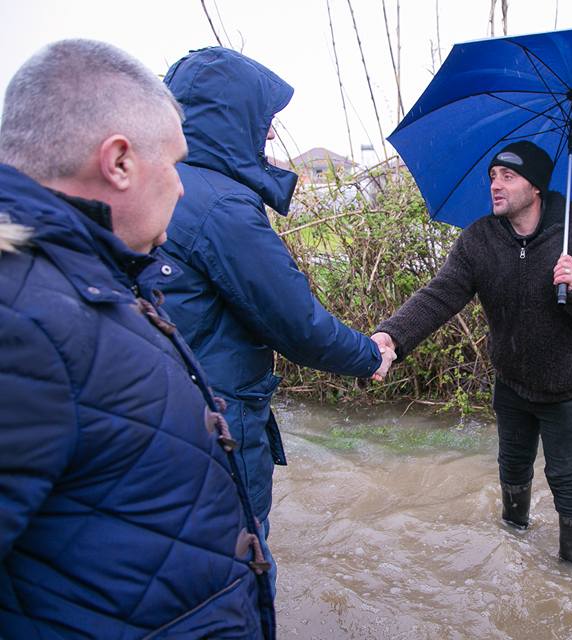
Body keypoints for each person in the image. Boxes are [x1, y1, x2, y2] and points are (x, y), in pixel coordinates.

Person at [0, 39, 272, 637]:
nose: (180, 188)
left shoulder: (90, 281)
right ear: (119, 162)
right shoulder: (21, 318)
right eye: (173, 164)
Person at [157, 46, 396, 585]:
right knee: (239, 560)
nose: (268, 135)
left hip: (171, 414)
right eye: (262, 120)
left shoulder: (166, 185)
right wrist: (369, 356)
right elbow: (297, 323)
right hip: (218, 419)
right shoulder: (221, 204)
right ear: (228, 117)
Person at [372, 141, 572, 563]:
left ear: (535, 188)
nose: (495, 185)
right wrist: (392, 338)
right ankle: (514, 547)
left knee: (565, 478)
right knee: (512, 468)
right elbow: (441, 295)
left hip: (568, 387)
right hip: (511, 383)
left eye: (508, 177)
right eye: (493, 176)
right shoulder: (481, 238)